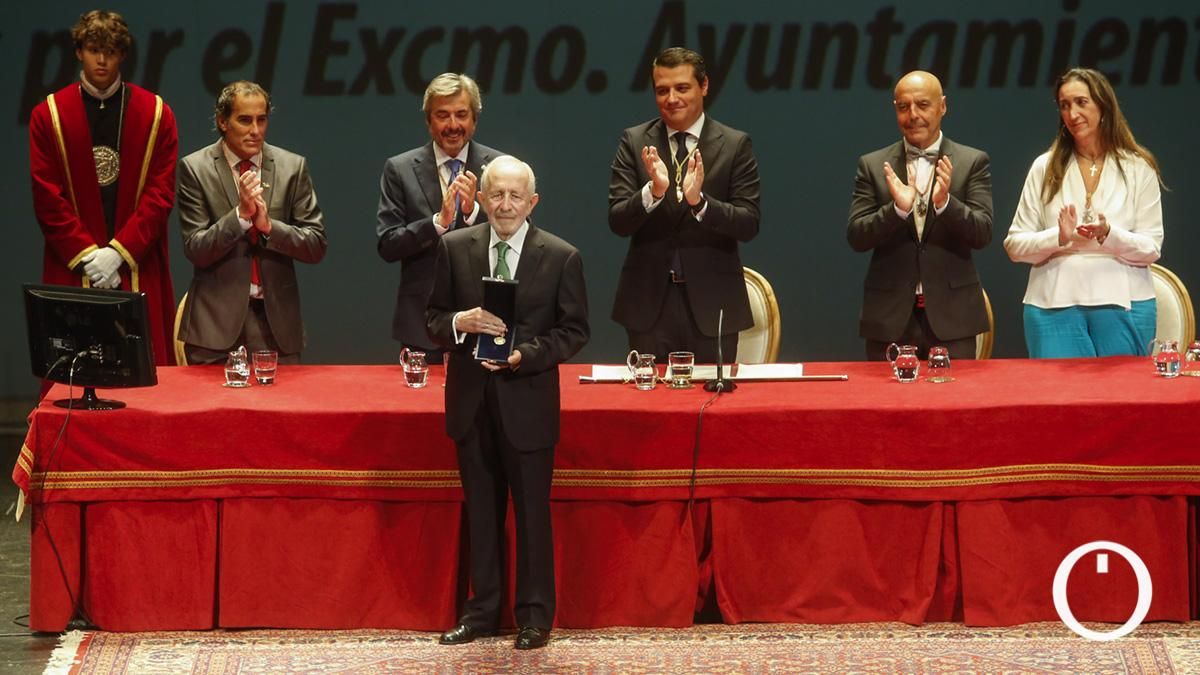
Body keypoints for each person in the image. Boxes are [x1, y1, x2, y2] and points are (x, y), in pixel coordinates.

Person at [427, 155, 589, 650]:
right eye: (496, 194)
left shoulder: (561, 256)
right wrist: (461, 322)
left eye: (515, 196)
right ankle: (481, 613)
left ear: (532, 202)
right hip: (471, 404)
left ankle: (535, 617)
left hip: (529, 403)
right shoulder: (455, 248)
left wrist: (526, 354)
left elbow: (575, 331)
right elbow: (432, 319)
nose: (505, 205)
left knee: (532, 515)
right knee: (482, 512)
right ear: (480, 198)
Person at [29, 9, 178, 365]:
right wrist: (90, 255)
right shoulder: (48, 116)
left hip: (136, 261)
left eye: (110, 51)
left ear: (123, 54)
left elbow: (160, 194)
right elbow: (47, 196)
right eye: (94, 49)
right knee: (73, 373)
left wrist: (119, 252)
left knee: (145, 374)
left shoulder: (156, 114)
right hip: (75, 264)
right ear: (79, 51)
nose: (101, 59)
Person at [608, 47, 759, 364]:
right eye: (662, 90)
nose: (671, 98)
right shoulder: (635, 141)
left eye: (682, 88)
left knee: (711, 408)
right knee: (649, 408)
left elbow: (748, 223)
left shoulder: (734, 144)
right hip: (649, 305)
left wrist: (700, 202)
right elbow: (618, 221)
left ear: (704, 87)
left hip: (712, 303)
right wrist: (654, 192)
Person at [1004, 68, 1163, 358]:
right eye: (1064, 105)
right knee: (1059, 402)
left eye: (1081, 102)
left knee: (1121, 401)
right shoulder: (1044, 167)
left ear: (1103, 106)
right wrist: (1059, 238)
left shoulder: (1139, 167)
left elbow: (1152, 248)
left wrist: (1109, 235)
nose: (1072, 113)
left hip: (1127, 303)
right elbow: (1015, 246)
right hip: (1051, 306)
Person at [176, 81, 327, 364]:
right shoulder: (195, 169)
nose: (255, 131)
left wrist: (270, 227)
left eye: (262, 119)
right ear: (223, 121)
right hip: (214, 328)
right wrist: (239, 219)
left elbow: (316, 245)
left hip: (277, 327)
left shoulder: (292, 167)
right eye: (244, 120)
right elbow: (196, 248)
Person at [846, 70, 993, 362]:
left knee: (953, 406)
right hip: (889, 318)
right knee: (889, 408)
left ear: (943, 106)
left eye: (923, 105)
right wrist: (897, 210)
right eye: (904, 107)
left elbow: (982, 232)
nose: (913, 115)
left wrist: (946, 203)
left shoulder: (972, 161)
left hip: (953, 318)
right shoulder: (873, 165)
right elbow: (857, 235)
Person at [378, 73, 503, 363]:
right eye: (442, 115)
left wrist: (473, 212)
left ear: (475, 120)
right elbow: (388, 243)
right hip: (422, 327)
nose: (453, 125)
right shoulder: (400, 169)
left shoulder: (500, 167)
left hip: (488, 322)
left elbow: (521, 234)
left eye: (461, 114)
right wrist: (438, 223)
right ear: (428, 120)